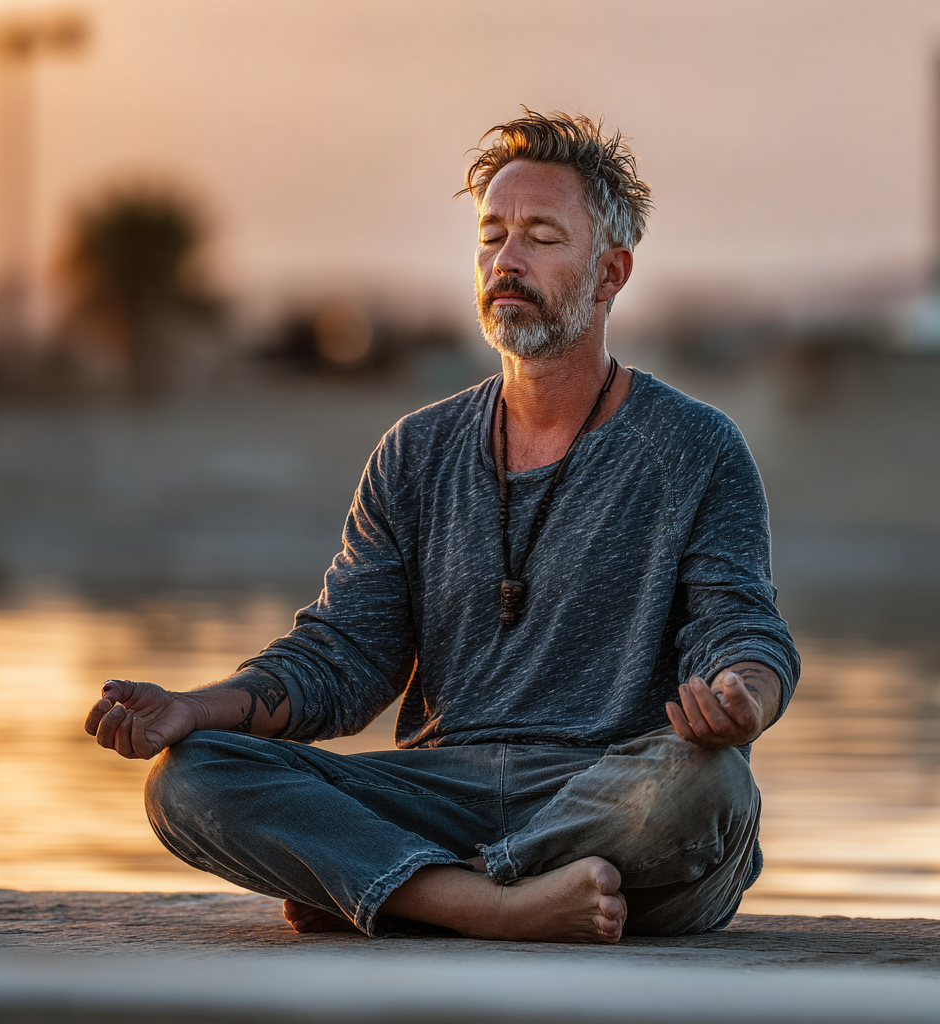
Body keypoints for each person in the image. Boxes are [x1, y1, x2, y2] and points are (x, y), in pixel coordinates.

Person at [84, 110, 800, 945]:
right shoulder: (415, 451)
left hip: (605, 794)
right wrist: (190, 710)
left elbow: (740, 626)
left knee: (710, 789)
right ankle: (500, 905)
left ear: (610, 274)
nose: (507, 260)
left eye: (540, 236)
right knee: (193, 777)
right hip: (439, 789)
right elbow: (342, 660)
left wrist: (742, 698)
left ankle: (400, 889)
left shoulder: (694, 446)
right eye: (492, 235)